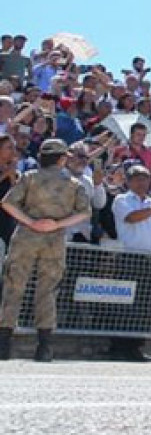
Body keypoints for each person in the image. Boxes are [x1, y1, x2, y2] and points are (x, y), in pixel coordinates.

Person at [0, 139, 91, 362]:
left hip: (26, 236)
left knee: (13, 287)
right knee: (48, 290)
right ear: (62, 158)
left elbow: (7, 203)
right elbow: (85, 212)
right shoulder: (73, 183)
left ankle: (3, 344)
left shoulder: (29, 177)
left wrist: (31, 222)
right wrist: (57, 224)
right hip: (54, 239)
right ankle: (44, 347)